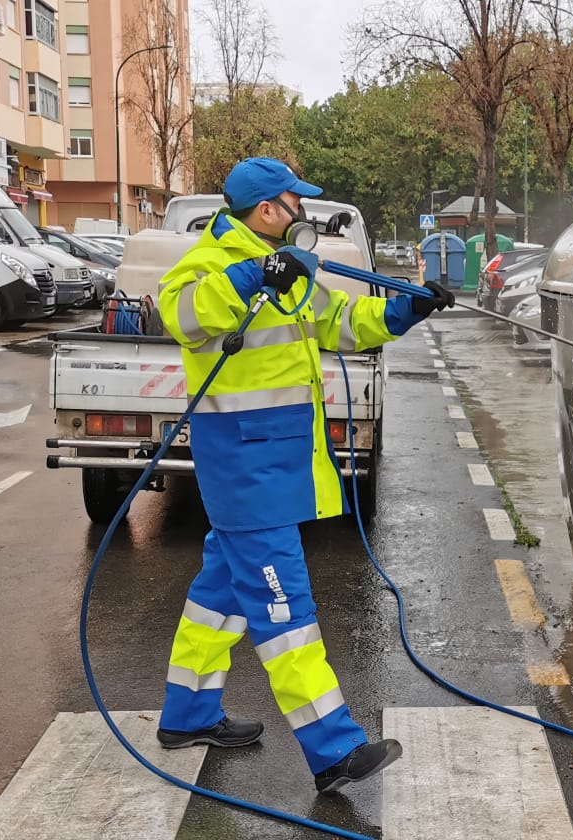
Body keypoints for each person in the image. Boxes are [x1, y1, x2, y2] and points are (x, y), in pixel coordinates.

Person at [152, 157, 455, 793]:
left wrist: (407, 312)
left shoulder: (288, 268)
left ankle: (187, 715)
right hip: (244, 464)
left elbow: (340, 324)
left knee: (221, 594)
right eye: (296, 202)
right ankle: (333, 749)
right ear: (267, 210)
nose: (304, 213)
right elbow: (180, 313)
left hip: (274, 461)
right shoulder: (209, 264)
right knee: (283, 608)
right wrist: (252, 275)